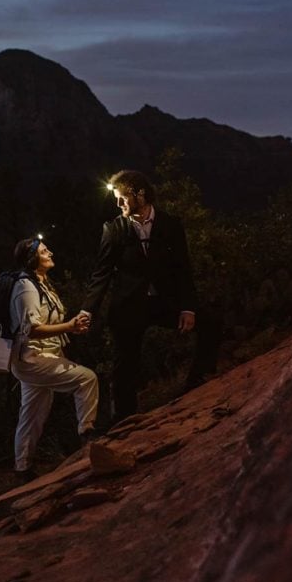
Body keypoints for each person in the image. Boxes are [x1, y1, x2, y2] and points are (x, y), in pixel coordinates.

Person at [81, 169, 199, 422]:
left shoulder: (170, 224)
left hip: (162, 302)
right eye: (116, 198)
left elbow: (183, 269)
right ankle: (123, 420)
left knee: (210, 322)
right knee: (125, 365)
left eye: (123, 197)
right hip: (129, 306)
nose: (118, 203)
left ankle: (197, 384)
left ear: (141, 194)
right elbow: (101, 273)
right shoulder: (113, 229)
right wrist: (87, 310)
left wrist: (187, 307)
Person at [10, 237, 99, 482]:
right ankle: (88, 435)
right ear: (32, 259)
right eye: (43, 251)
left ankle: (22, 469)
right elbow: (32, 329)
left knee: (32, 413)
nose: (50, 252)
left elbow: (49, 323)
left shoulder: (42, 284)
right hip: (32, 359)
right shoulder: (26, 287)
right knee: (86, 378)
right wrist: (69, 326)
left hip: (40, 356)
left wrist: (70, 328)